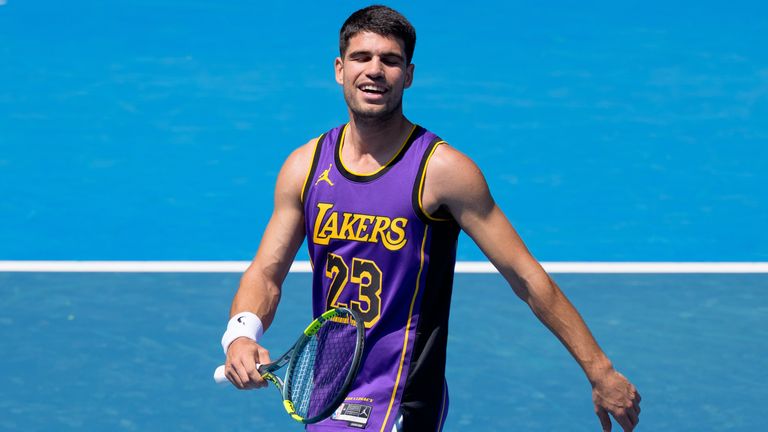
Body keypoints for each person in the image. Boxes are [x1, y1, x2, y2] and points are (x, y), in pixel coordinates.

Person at [219, 5, 641, 431]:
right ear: (339, 69)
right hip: (330, 390)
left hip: (405, 396)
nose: (375, 71)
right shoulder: (306, 167)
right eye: (362, 58)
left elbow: (525, 275)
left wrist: (600, 369)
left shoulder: (441, 172)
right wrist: (240, 331)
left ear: (409, 74)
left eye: (390, 60)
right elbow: (267, 272)